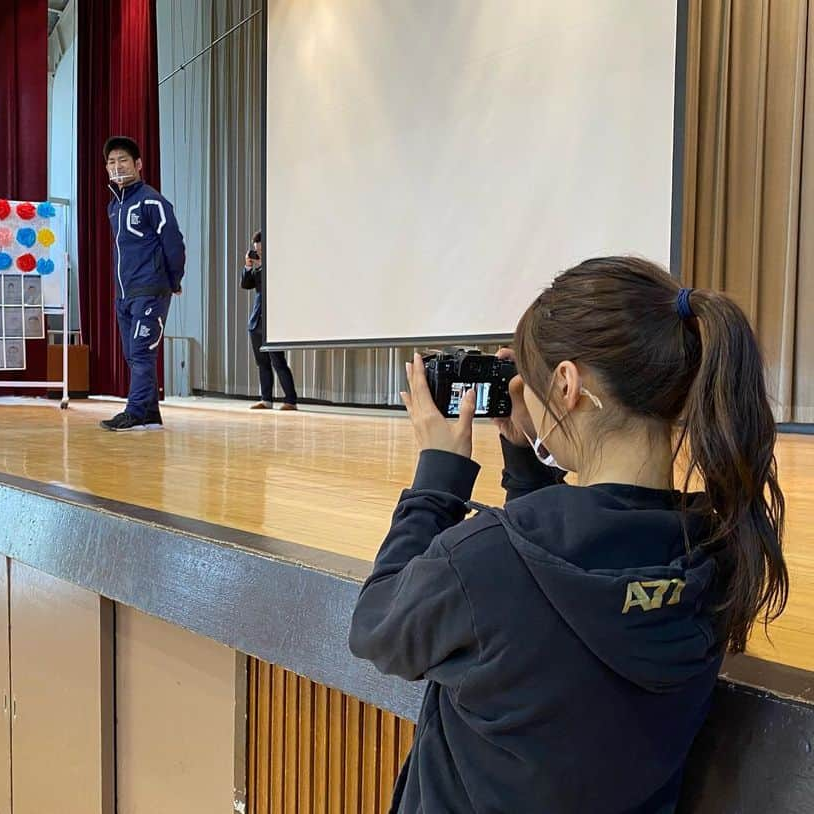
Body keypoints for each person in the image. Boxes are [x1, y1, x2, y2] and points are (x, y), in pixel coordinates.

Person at [349, 257, 787, 812]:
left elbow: (376, 626)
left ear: (566, 383)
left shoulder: (483, 561)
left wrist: (438, 479)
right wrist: (530, 470)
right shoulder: (717, 552)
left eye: (534, 382)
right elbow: (564, 587)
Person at [100, 136, 186, 432]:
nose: (117, 166)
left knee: (141, 351)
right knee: (131, 354)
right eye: (111, 162)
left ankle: (134, 411)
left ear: (137, 164)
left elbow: (174, 243)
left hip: (151, 290)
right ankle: (149, 413)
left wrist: (174, 280)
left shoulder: (152, 200)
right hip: (124, 294)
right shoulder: (114, 206)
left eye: (123, 160)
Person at [240, 230, 298, 410]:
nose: (259, 254)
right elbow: (246, 284)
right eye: (257, 251)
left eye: (263, 251)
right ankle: (266, 399)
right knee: (262, 363)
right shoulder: (258, 267)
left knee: (278, 361)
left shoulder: (277, 265)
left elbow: (271, 284)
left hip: (273, 320)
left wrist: (262, 265)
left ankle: (290, 400)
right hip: (256, 320)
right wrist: (249, 267)